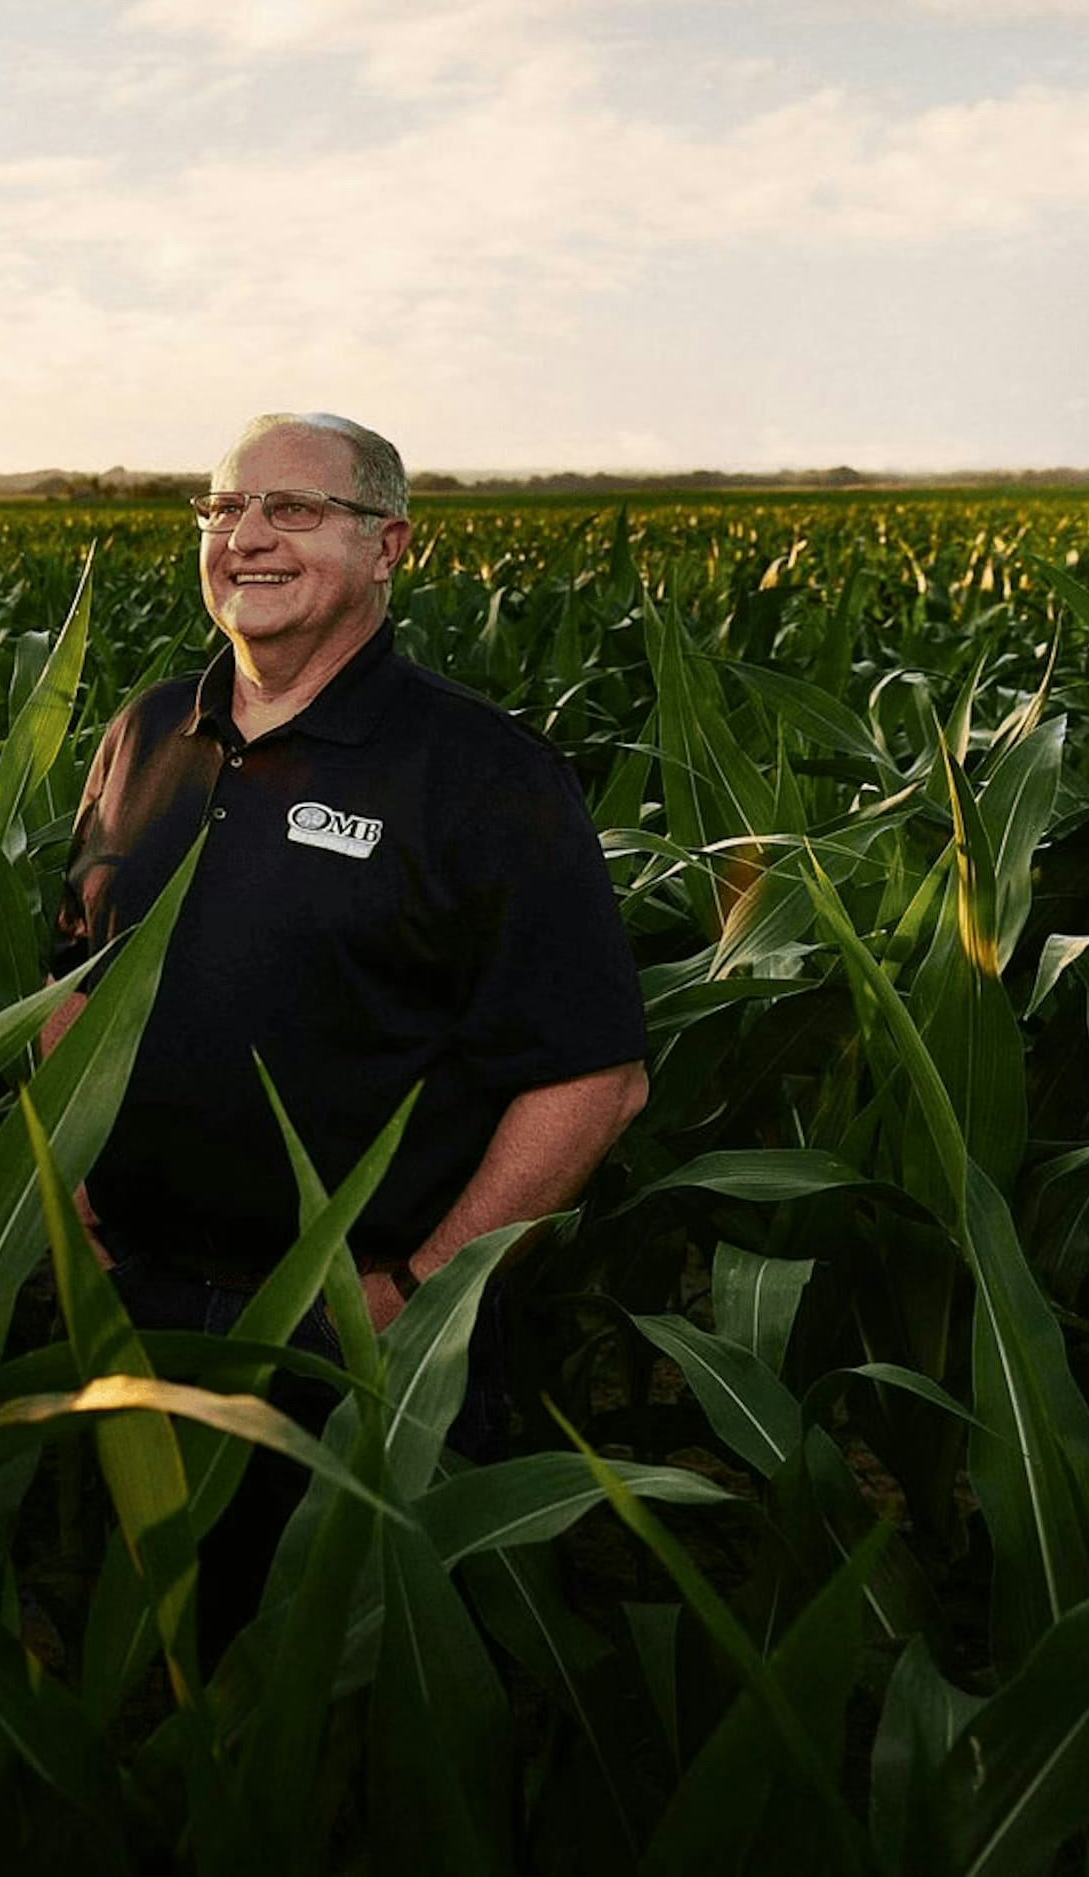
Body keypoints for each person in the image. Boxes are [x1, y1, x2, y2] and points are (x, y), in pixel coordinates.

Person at [46, 411, 647, 1620]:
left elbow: (594, 1079)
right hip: (133, 1306)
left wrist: (419, 1294)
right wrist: (64, 1204)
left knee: (347, 1688)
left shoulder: (482, 772)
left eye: (296, 510)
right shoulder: (149, 729)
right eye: (223, 510)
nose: (247, 538)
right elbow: (73, 980)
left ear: (390, 548)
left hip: (350, 1339)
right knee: (132, 1650)